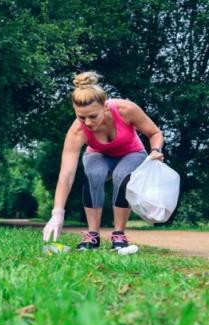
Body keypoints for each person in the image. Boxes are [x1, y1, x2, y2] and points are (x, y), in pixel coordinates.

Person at [42, 71, 165, 250]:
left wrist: (156, 150)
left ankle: (119, 235)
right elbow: (66, 174)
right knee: (94, 174)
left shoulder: (125, 109)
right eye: (81, 117)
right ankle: (92, 236)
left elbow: (155, 133)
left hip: (132, 153)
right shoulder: (77, 131)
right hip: (98, 155)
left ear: (105, 107)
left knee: (121, 176)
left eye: (93, 116)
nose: (88, 122)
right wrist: (57, 212)